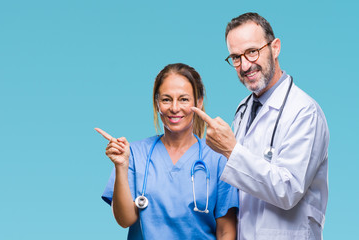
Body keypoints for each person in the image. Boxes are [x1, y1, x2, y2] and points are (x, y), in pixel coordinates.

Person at [191, 13, 329, 240]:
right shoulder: (243, 109)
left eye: (252, 52)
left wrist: (230, 150)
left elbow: (288, 190)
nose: (245, 65)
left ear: (275, 48)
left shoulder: (305, 111)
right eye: (236, 57)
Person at [96, 63, 238, 240]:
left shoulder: (218, 159)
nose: (174, 108)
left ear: (199, 102)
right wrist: (121, 166)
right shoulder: (134, 154)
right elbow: (125, 220)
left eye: (184, 99)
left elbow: (226, 231)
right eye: (166, 99)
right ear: (157, 103)